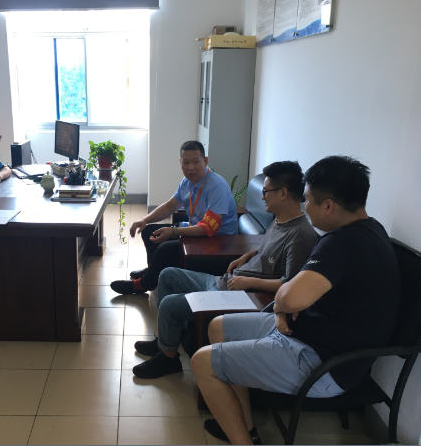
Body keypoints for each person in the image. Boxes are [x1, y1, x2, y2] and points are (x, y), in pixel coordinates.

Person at [191, 156, 401, 445]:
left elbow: (290, 295)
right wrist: (283, 308)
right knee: (217, 327)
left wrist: (284, 305)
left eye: (308, 200)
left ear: (328, 206)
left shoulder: (341, 244)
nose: (304, 206)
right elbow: (295, 294)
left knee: (201, 363)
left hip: (321, 363)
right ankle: (247, 429)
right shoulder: (371, 230)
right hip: (304, 334)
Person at [132, 161, 318, 380]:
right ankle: (165, 342)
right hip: (227, 281)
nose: (262, 197)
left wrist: (249, 282)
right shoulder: (280, 220)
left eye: (266, 192)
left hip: (240, 295)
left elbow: (291, 285)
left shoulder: (300, 236)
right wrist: (246, 256)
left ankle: (168, 360)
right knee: (167, 275)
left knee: (170, 305)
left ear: (283, 193)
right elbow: (267, 249)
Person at [110, 140, 237, 295]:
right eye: (186, 162)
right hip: (196, 231)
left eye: (196, 161)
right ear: (180, 163)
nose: (191, 167)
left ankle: (143, 284)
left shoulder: (217, 186)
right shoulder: (187, 182)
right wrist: (144, 220)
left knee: (165, 248)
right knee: (149, 231)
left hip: (216, 241)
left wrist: (174, 232)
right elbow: (170, 206)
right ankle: (153, 271)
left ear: (205, 161)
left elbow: (208, 228)